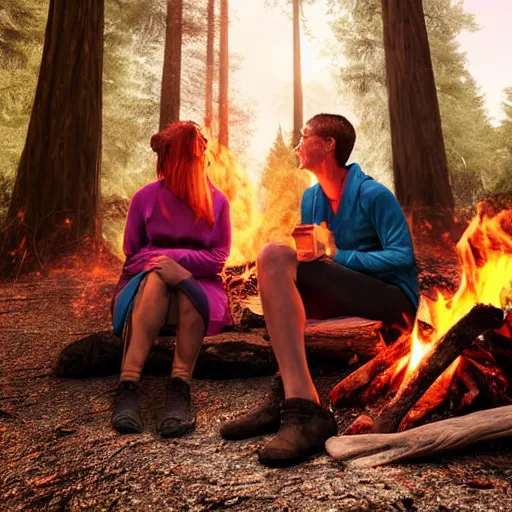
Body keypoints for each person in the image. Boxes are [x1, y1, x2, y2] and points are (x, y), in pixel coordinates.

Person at [220, 113, 419, 467]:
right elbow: (313, 262)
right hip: (344, 292)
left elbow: (402, 257)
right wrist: (314, 259)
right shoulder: (312, 197)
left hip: (393, 301)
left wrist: (338, 255)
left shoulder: (373, 193)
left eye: (305, 136)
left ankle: (308, 412)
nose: (298, 143)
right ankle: (285, 395)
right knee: (280, 266)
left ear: (328, 145)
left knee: (275, 255)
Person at [111, 120, 232, 437]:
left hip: (200, 284)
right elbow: (131, 253)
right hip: (149, 282)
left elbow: (219, 258)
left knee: (187, 293)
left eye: (169, 157)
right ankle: (128, 384)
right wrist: (160, 265)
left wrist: (179, 265)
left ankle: (179, 387)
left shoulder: (218, 202)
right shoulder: (144, 197)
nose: (163, 165)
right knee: (157, 279)